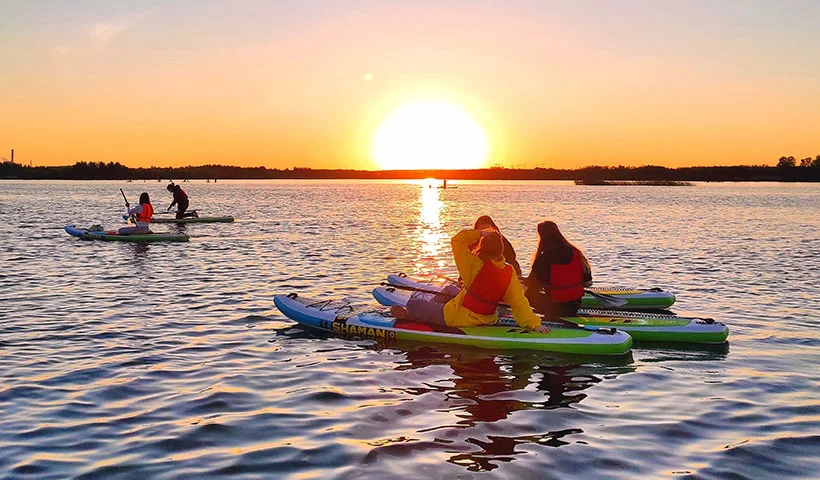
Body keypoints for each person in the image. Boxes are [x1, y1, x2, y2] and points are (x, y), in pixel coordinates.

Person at [391, 228, 549, 333]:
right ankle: (433, 309)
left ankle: (415, 315)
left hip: (458, 318)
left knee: (413, 304)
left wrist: (479, 233)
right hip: (487, 317)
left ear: (482, 246)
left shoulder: (473, 264)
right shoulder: (508, 270)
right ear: (501, 249)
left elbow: (457, 240)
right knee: (448, 290)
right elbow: (519, 301)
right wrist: (535, 323)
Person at [523, 221, 593, 319]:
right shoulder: (577, 253)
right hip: (575, 305)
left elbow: (530, 286)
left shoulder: (544, 259)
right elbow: (588, 283)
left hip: (555, 307)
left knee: (528, 294)